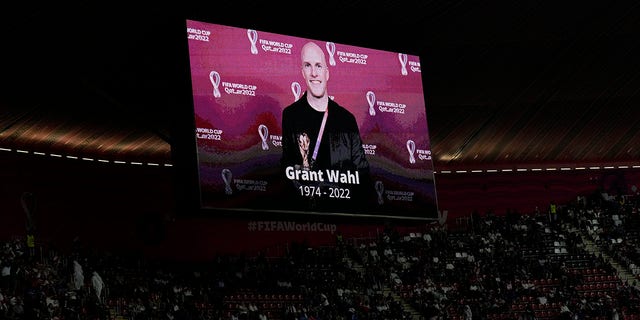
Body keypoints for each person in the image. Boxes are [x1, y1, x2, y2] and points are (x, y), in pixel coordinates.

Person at [281, 41, 373, 212]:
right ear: (302, 72)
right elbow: (287, 168)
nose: (314, 73)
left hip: (344, 209)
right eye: (308, 66)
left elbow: (362, 172)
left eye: (319, 66)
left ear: (327, 73)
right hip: (305, 209)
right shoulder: (291, 115)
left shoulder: (346, 119)